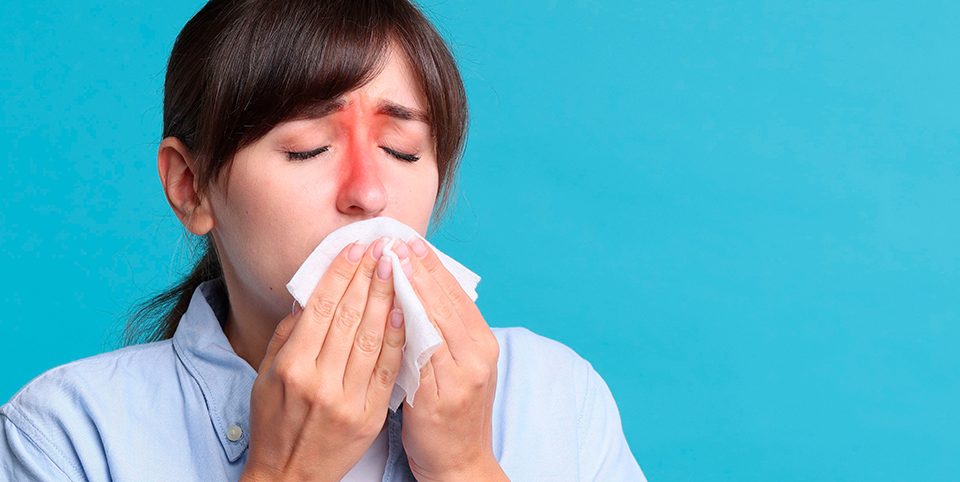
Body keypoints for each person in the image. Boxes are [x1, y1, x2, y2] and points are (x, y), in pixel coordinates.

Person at [0, 1, 648, 480]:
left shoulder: (552, 394)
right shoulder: (65, 434)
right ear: (191, 187)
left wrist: (467, 466)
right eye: (307, 149)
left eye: (401, 149)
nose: (368, 192)